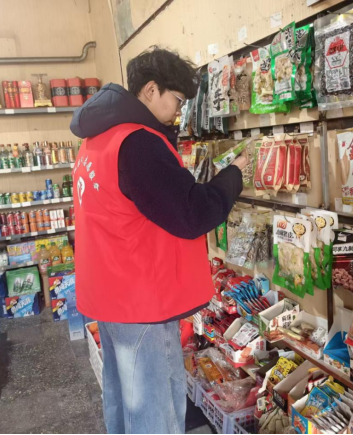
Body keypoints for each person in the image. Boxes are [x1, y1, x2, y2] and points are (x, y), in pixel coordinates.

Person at [70, 46, 247, 434]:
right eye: (178, 100)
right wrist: (233, 174)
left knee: (124, 402)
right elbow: (191, 213)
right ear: (151, 90)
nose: (179, 113)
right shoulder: (138, 143)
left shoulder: (97, 139)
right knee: (154, 413)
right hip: (140, 300)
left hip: (110, 293)